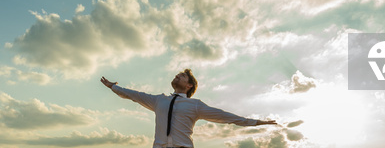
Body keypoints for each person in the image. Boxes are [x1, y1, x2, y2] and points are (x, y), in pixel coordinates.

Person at [100, 69, 277, 148]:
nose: (177, 75)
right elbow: (134, 95)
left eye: (182, 76)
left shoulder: (195, 106)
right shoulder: (158, 100)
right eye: (177, 74)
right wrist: (112, 87)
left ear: (189, 85)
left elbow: (225, 117)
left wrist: (257, 122)